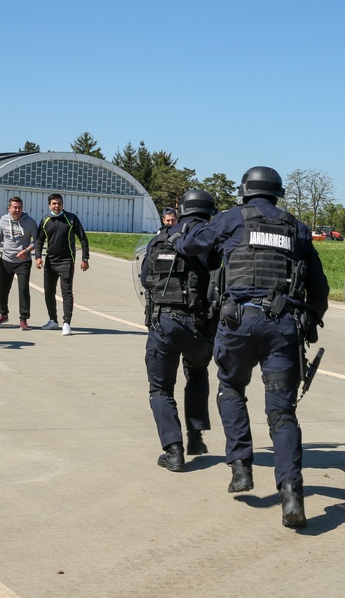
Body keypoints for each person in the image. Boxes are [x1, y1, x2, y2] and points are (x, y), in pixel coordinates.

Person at [173, 166, 329, 528]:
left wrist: (185, 228)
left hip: (238, 323)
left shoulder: (231, 219)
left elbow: (191, 245)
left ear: (245, 191)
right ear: (277, 193)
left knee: (230, 389)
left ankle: (241, 467)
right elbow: (318, 285)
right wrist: (311, 323)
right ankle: (291, 491)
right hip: (283, 327)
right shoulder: (296, 227)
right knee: (282, 413)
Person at [141, 190, 221, 472]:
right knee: (198, 372)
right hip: (200, 324)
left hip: (164, 323)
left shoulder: (160, 239)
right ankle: (196, 437)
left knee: (161, 388)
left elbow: (144, 278)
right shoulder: (212, 240)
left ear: (182, 210)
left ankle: (174, 451)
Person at [34, 193, 90, 336]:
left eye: (59, 203)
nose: (56, 206)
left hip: (66, 261)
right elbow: (39, 240)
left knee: (66, 293)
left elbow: (83, 238)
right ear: (49, 205)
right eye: (54, 203)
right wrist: (38, 257)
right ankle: (53, 320)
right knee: (49, 292)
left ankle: (67, 323)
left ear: (62, 204)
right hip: (50, 262)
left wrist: (85, 258)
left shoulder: (71, 219)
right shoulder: (46, 220)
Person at [0, 196, 39, 330]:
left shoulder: (30, 222)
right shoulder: (4, 219)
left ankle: (23, 319)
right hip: (6, 260)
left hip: (23, 261)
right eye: (15, 207)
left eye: (20, 207)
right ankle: (3, 314)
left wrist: (27, 250)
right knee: (2, 289)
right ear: (9, 208)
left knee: (23, 290)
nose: (17, 210)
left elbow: (37, 240)